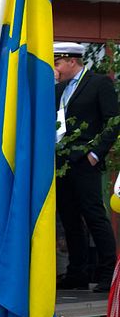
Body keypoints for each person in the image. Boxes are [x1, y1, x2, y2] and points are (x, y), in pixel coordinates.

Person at [54, 42, 119, 292]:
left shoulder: (98, 83)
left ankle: (108, 273)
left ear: (73, 61)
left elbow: (113, 121)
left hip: (85, 160)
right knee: (69, 219)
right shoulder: (58, 89)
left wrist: (95, 153)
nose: (56, 68)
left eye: (58, 63)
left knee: (94, 216)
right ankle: (77, 272)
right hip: (62, 161)